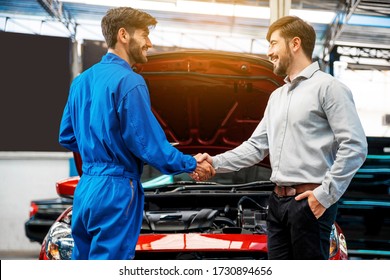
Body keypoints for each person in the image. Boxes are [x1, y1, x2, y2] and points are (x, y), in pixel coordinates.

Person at [195, 16, 367, 259]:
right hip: (276, 204)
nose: (269, 52)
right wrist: (214, 163)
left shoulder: (329, 88)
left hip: (308, 203)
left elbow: (355, 146)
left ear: (294, 43)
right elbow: (256, 147)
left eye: (273, 43)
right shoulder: (277, 96)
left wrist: (324, 195)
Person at [59, 7, 214, 260]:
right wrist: (190, 162)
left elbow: (66, 136)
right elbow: (148, 145)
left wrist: (99, 144)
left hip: (86, 189)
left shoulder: (81, 81)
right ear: (123, 35)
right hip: (116, 190)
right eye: (144, 35)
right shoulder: (129, 81)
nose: (149, 43)